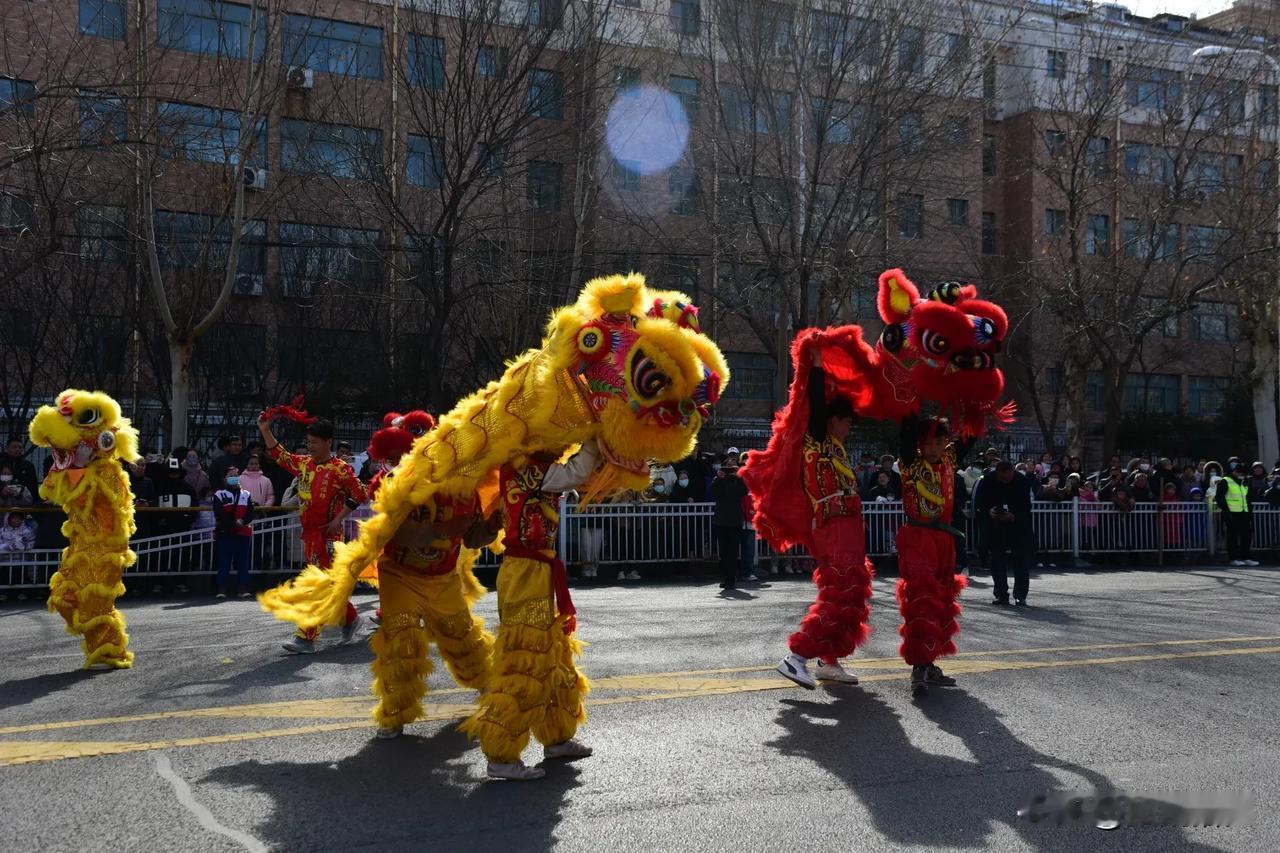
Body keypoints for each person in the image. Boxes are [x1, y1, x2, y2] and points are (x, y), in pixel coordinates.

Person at [461, 441, 601, 781]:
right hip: (526, 573)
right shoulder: (529, 466)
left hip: (535, 571)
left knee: (552, 658)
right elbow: (578, 472)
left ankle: (556, 737)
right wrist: (598, 436)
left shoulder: (527, 465)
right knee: (526, 661)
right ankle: (501, 754)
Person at [774, 349, 870, 689]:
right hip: (832, 527)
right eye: (846, 420)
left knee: (851, 594)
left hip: (849, 527)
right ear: (832, 420)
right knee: (838, 593)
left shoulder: (839, 449)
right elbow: (815, 405)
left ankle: (829, 661)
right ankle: (796, 657)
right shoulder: (817, 441)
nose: (850, 426)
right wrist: (815, 366)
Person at [258, 413, 368, 653]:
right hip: (309, 535)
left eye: (315, 443)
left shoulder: (341, 469)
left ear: (328, 443)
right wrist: (266, 429)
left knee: (316, 586)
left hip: (329, 538)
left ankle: (306, 637)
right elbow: (280, 455)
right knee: (327, 586)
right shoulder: (305, 464)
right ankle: (350, 618)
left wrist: (339, 519)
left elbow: (360, 493)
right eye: (309, 442)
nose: (310, 446)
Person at [894, 415, 972, 697]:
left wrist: (973, 402)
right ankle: (918, 666)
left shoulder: (950, 460)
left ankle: (929, 662)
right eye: (927, 443)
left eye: (938, 442)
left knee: (941, 601)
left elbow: (970, 434)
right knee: (921, 601)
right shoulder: (911, 463)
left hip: (944, 540)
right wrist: (909, 402)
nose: (933, 448)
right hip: (918, 537)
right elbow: (904, 434)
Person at [976, 461, 1034, 606]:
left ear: (1012, 472)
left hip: (1018, 525)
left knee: (1020, 561)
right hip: (995, 525)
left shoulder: (1023, 482)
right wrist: (989, 511)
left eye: (1007, 478)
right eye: (1001, 478)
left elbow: (1026, 506)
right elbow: (980, 502)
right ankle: (1001, 594)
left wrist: (1015, 516)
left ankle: (1020, 595)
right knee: (997, 561)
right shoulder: (988, 480)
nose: (1004, 481)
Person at [211, 466, 255, 598]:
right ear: (224, 479)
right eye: (230, 476)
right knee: (224, 561)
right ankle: (222, 589)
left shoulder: (246, 494)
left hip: (243, 532)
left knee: (243, 562)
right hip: (226, 532)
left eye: (235, 475)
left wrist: (243, 521)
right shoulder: (219, 494)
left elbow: (250, 512)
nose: (233, 478)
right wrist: (233, 523)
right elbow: (220, 513)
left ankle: (243, 588)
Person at [711, 457, 749, 589]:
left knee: (732, 551)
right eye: (728, 466)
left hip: (734, 521)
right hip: (721, 520)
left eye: (732, 467)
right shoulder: (719, 480)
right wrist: (720, 478)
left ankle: (731, 580)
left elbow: (744, 491)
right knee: (724, 552)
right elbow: (714, 492)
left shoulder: (738, 480)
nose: (730, 469)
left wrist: (738, 476)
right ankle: (726, 577)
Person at [1217, 462, 1258, 567]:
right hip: (1231, 514)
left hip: (1244, 513)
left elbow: (1247, 499)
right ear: (1235, 471)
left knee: (1247, 536)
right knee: (1232, 537)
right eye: (1240, 472)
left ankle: (1246, 557)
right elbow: (1220, 498)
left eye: (1244, 473)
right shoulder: (1225, 481)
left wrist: (1249, 512)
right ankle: (1233, 558)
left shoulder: (1244, 482)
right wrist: (1227, 512)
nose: (1242, 475)